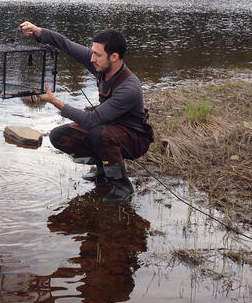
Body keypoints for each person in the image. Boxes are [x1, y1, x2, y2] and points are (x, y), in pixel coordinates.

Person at [19, 22, 154, 204]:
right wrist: (39, 31)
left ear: (114, 57)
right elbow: (65, 44)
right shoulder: (101, 65)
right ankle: (103, 170)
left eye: (97, 55)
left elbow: (92, 121)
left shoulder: (129, 88)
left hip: (134, 138)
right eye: (92, 53)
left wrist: (54, 101)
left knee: (98, 133)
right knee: (59, 136)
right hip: (109, 127)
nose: (92, 59)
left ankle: (122, 186)